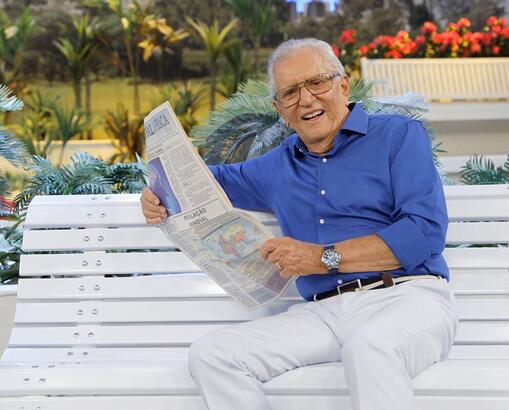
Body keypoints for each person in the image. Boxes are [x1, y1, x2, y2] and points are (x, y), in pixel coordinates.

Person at [140, 38, 458, 410]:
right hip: (323, 314)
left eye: (318, 82)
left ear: (343, 84)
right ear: (279, 108)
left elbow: (423, 233)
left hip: (407, 298)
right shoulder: (277, 166)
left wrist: (322, 258)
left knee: (371, 347)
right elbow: (201, 181)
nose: (306, 99)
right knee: (213, 355)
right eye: (290, 92)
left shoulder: (397, 136)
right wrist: (158, 193)